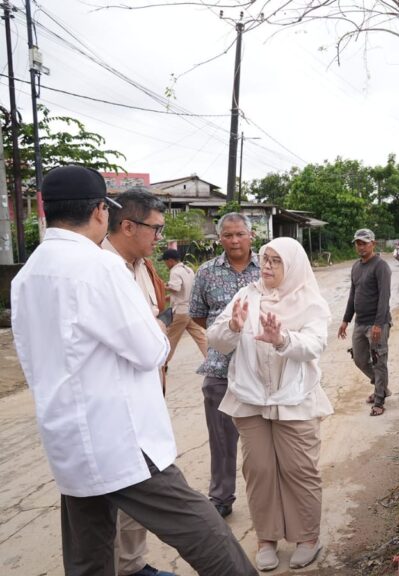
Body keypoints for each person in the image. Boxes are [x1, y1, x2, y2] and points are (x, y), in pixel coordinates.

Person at [10, 165, 256, 576]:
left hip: (67, 436)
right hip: (120, 437)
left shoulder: (28, 275)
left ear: (44, 208)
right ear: (100, 213)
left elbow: (32, 359)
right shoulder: (100, 267)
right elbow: (149, 351)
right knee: (197, 524)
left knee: (88, 554)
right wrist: (159, 329)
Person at [207, 237, 333, 571]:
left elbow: (314, 344)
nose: (266, 266)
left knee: (299, 469)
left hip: (295, 399)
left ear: (292, 265)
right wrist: (233, 327)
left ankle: (307, 537)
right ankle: (266, 538)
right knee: (259, 471)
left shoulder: (310, 300)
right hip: (250, 398)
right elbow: (215, 339)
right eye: (265, 259)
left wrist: (282, 339)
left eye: (276, 261)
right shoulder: (247, 295)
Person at [102, 187, 176, 576]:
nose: (159, 238)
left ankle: (131, 564)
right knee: (123, 489)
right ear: (128, 226)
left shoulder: (143, 267)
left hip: (149, 389)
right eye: (155, 229)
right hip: (117, 401)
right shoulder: (100, 269)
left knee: (139, 477)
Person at [190, 213, 261, 518]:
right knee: (221, 439)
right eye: (228, 235)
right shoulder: (206, 272)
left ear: (251, 235)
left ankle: (268, 497)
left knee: (263, 440)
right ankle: (221, 497)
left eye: (240, 234)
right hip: (220, 368)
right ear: (219, 238)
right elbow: (197, 316)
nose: (234, 241)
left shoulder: (268, 268)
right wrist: (225, 336)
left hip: (260, 367)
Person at [337, 228, 392, 416]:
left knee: (378, 360)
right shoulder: (356, 267)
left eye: (364, 243)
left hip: (378, 323)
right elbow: (353, 295)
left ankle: (379, 400)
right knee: (360, 359)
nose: (360, 246)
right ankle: (381, 386)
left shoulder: (381, 266)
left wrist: (378, 324)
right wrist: (346, 320)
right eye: (358, 243)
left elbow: (384, 297)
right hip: (360, 323)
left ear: (373, 244)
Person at [160, 248, 208, 372]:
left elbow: (176, 288)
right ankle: (212, 359)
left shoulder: (175, 272)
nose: (166, 264)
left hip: (181, 312)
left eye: (165, 261)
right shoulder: (189, 270)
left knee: (170, 338)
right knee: (200, 337)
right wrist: (167, 297)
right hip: (190, 309)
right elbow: (185, 291)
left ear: (170, 260)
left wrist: (162, 287)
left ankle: (163, 363)